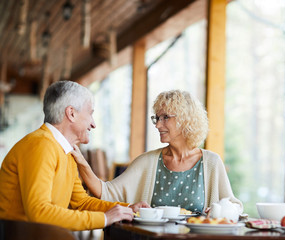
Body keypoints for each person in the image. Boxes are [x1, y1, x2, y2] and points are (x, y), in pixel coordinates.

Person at [0, 81, 149, 231]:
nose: (93, 124)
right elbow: (39, 212)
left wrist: (128, 209)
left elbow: (81, 202)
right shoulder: (42, 145)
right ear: (71, 113)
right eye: (90, 113)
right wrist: (105, 218)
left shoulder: (66, 151)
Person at [73, 90, 243, 213]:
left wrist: (218, 210)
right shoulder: (148, 161)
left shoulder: (211, 162)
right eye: (157, 118)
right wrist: (81, 160)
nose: (157, 125)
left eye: (165, 118)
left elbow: (234, 206)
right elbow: (105, 192)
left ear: (185, 120)